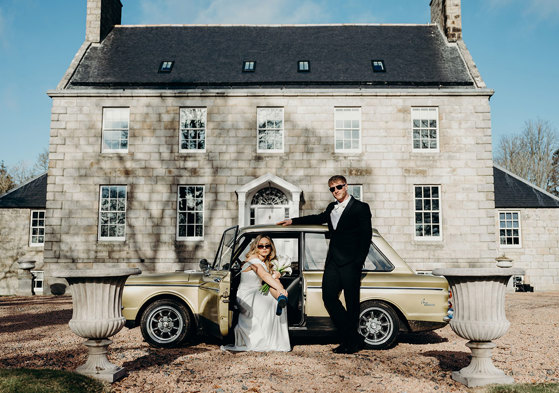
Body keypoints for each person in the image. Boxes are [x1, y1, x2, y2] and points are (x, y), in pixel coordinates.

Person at [278, 175, 372, 354]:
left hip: (351, 264)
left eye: (339, 187)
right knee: (328, 298)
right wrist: (293, 221)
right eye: (332, 189)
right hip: (333, 262)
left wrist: (358, 263)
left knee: (352, 304)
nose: (336, 191)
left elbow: (366, 237)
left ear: (346, 186)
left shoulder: (361, 208)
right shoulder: (331, 207)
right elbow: (318, 217)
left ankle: (350, 343)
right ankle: (354, 337)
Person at [221, 235, 291, 352]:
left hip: (257, 291)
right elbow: (263, 275)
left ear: (271, 248)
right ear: (256, 247)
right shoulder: (253, 260)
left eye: (267, 246)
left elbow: (266, 277)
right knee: (271, 295)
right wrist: (279, 287)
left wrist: (276, 274)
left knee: (274, 283)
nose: (264, 248)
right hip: (246, 295)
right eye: (261, 246)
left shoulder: (265, 261)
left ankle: (281, 298)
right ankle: (282, 295)